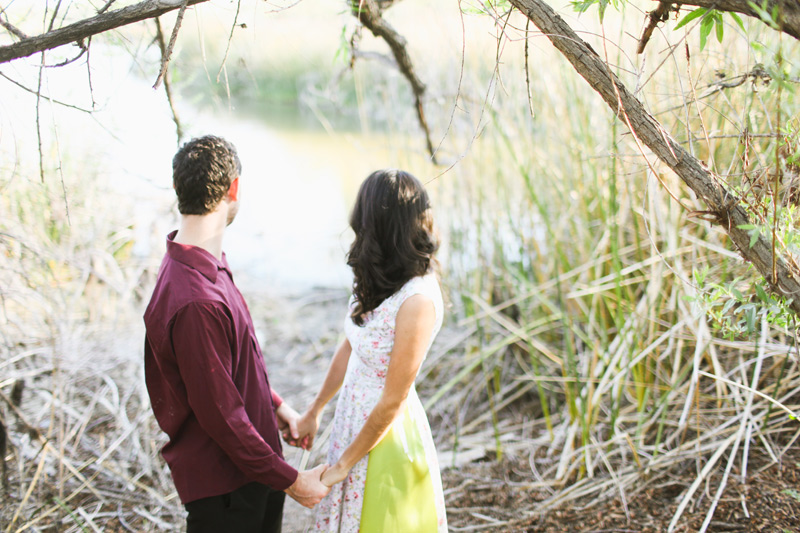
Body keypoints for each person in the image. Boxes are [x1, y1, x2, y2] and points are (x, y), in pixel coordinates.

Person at [143, 135, 329, 533]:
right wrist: (294, 482)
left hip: (253, 472)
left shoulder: (203, 265)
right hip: (227, 490)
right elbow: (222, 416)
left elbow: (233, 364)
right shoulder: (195, 301)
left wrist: (276, 408)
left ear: (179, 190)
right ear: (234, 188)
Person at [289, 169, 448, 532]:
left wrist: (340, 468)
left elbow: (393, 399)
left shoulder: (418, 300)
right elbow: (351, 345)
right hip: (352, 419)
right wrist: (316, 408)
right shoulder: (379, 274)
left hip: (384, 434)